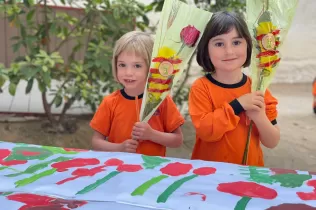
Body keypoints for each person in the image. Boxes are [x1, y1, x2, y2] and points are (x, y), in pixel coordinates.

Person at [188, 11, 280, 166]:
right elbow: (206, 132)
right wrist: (237, 105)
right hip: (209, 174)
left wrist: (259, 117)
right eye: (219, 44)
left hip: (248, 175)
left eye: (236, 42)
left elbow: (272, 141)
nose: (229, 51)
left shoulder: (258, 88)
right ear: (206, 49)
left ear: (248, 45)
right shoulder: (201, 88)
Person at [90, 31, 184, 156]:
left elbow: (177, 140)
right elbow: (96, 142)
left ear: (151, 67)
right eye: (122, 65)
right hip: (118, 168)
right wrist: (119, 148)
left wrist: (152, 135)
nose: (128, 72)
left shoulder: (162, 101)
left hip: (151, 170)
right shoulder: (110, 102)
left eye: (137, 66)